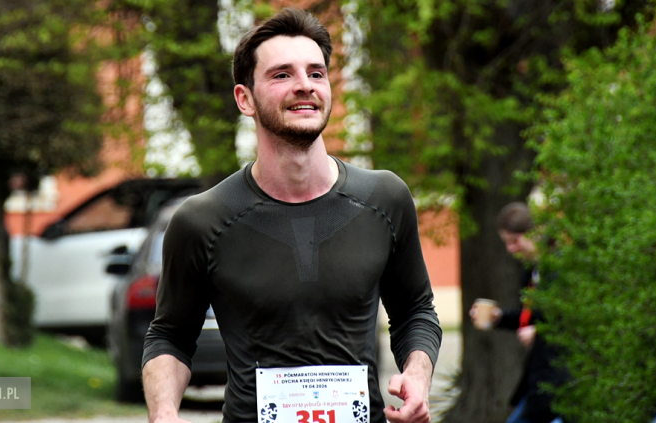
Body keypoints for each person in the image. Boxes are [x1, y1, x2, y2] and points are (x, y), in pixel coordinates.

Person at [140, 8, 442, 423]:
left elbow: (415, 312)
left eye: (316, 73)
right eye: (282, 74)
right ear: (245, 99)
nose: (305, 85)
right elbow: (170, 336)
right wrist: (164, 413)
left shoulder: (384, 198)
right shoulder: (201, 220)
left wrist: (418, 377)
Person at [469, 202, 565, 423]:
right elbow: (531, 317)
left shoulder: (559, 269)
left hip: (559, 377)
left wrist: (539, 333)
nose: (511, 249)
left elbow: (570, 320)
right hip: (539, 378)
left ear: (535, 233)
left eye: (515, 241)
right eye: (507, 243)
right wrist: (499, 317)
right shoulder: (532, 272)